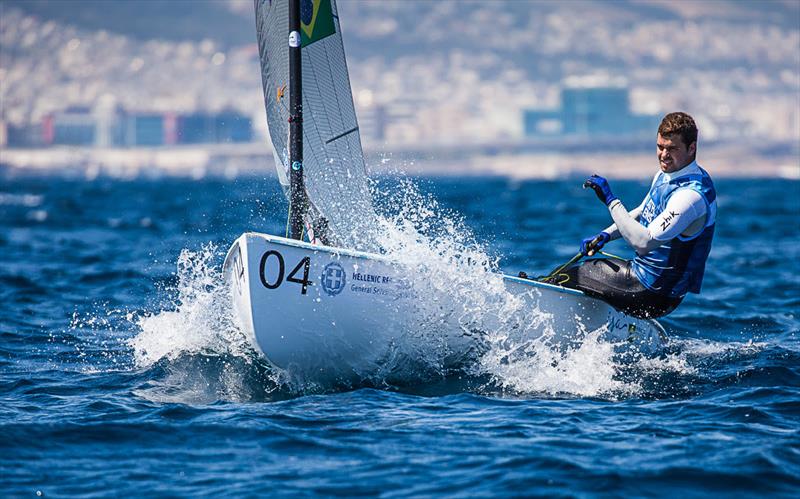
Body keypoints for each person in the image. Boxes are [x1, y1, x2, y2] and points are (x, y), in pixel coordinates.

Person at [561, 112, 717, 319]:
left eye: (672, 149)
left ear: (692, 148)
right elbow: (645, 210)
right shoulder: (666, 175)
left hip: (651, 293)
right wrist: (605, 235)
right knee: (594, 275)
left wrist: (610, 200)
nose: (663, 154)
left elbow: (643, 242)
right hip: (650, 287)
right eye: (660, 147)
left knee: (572, 274)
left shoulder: (690, 196)